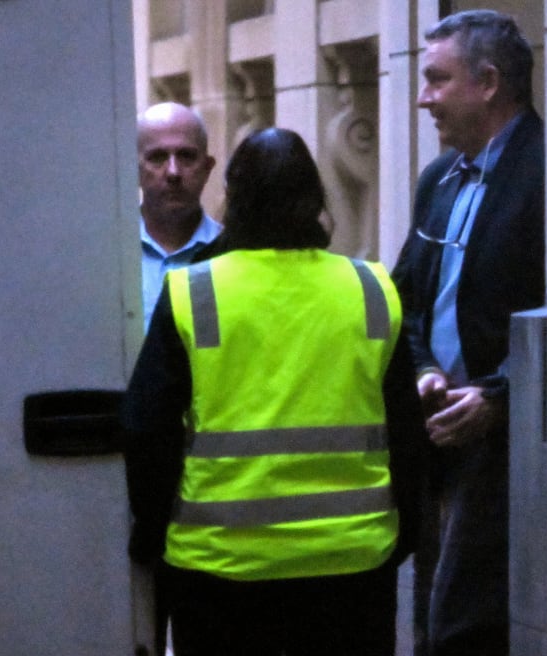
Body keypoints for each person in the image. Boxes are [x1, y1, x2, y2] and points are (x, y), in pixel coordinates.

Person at [122, 127, 427, 656]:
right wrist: (407, 531)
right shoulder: (372, 289)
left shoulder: (195, 291)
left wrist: (151, 535)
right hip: (351, 566)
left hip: (220, 569)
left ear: (234, 197)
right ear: (314, 199)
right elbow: (406, 428)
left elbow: (147, 429)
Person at [391, 10, 545, 656]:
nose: (423, 97)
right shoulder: (440, 178)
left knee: (464, 626)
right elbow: (408, 300)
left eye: (436, 79)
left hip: (507, 446)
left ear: (487, 82)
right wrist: (424, 367)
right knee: (432, 616)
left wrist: (497, 395)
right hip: (437, 437)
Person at [137, 102, 223, 329]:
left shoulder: (229, 253)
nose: (173, 172)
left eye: (186, 156)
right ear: (133, 169)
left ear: (207, 168)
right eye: (157, 157)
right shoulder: (107, 255)